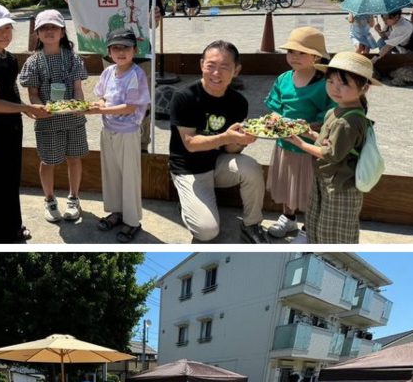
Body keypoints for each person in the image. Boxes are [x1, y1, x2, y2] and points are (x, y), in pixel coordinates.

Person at [169, 40, 267, 244]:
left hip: (218, 163)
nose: (216, 73)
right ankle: (186, 201)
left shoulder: (239, 102)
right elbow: (191, 144)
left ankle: (251, 224)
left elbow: (231, 150)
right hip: (188, 169)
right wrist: (227, 136)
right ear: (201, 65)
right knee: (206, 232)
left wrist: (243, 140)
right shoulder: (184, 97)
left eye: (224, 67)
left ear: (236, 70)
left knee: (251, 167)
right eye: (211, 65)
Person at [0, 3, 49, 244]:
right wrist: (27, 108)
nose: (5, 34)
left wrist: (29, 111)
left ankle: (13, 226)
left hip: (12, 127)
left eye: (8, 28)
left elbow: (11, 91)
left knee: (10, 180)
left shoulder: (10, 58)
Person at [287, 52, 381, 244]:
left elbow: (330, 154)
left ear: (364, 87)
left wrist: (300, 143)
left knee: (334, 234)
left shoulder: (349, 121)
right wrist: (307, 131)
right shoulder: (335, 110)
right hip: (325, 180)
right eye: (330, 82)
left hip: (340, 186)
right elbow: (326, 141)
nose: (335, 89)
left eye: (344, 84)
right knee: (316, 223)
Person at [18, 8, 89, 223]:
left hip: (74, 119)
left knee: (74, 158)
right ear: (37, 33)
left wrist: (79, 106)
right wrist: (40, 108)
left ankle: (74, 198)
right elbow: (33, 94)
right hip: (47, 120)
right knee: (48, 161)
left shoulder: (74, 59)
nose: (49, 31)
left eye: (54, 27)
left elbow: (77, 89)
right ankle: (49, 199)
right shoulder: (33, 62)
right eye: (44, 28)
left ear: (63, 32)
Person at [264, 27, 333, 239]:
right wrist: (276, 118)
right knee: (286, 183)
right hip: (285, 144)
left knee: (310, 189)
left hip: (311, 147)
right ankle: (288, 218)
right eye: (291, 52)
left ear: (317, 56)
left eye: (302, 52)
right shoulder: (284, 78)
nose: (295, 57)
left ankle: (308, 227)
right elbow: (275, 106)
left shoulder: (325, 83)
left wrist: (309, 126)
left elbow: (329, 114)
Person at [87, 28, 150, 242]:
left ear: (135, 50)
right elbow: (103, 97)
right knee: (111, 174)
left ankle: (132, 221)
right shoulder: (108, 72)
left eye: (126, 48)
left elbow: (130, 107)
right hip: (109, 131)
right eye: (116, 48)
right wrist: (96, 105)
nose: (121, 52)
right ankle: (116, 212)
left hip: (128, 133)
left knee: (129, 177)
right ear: (109, 51)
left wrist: (100, 110)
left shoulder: (136, 74)